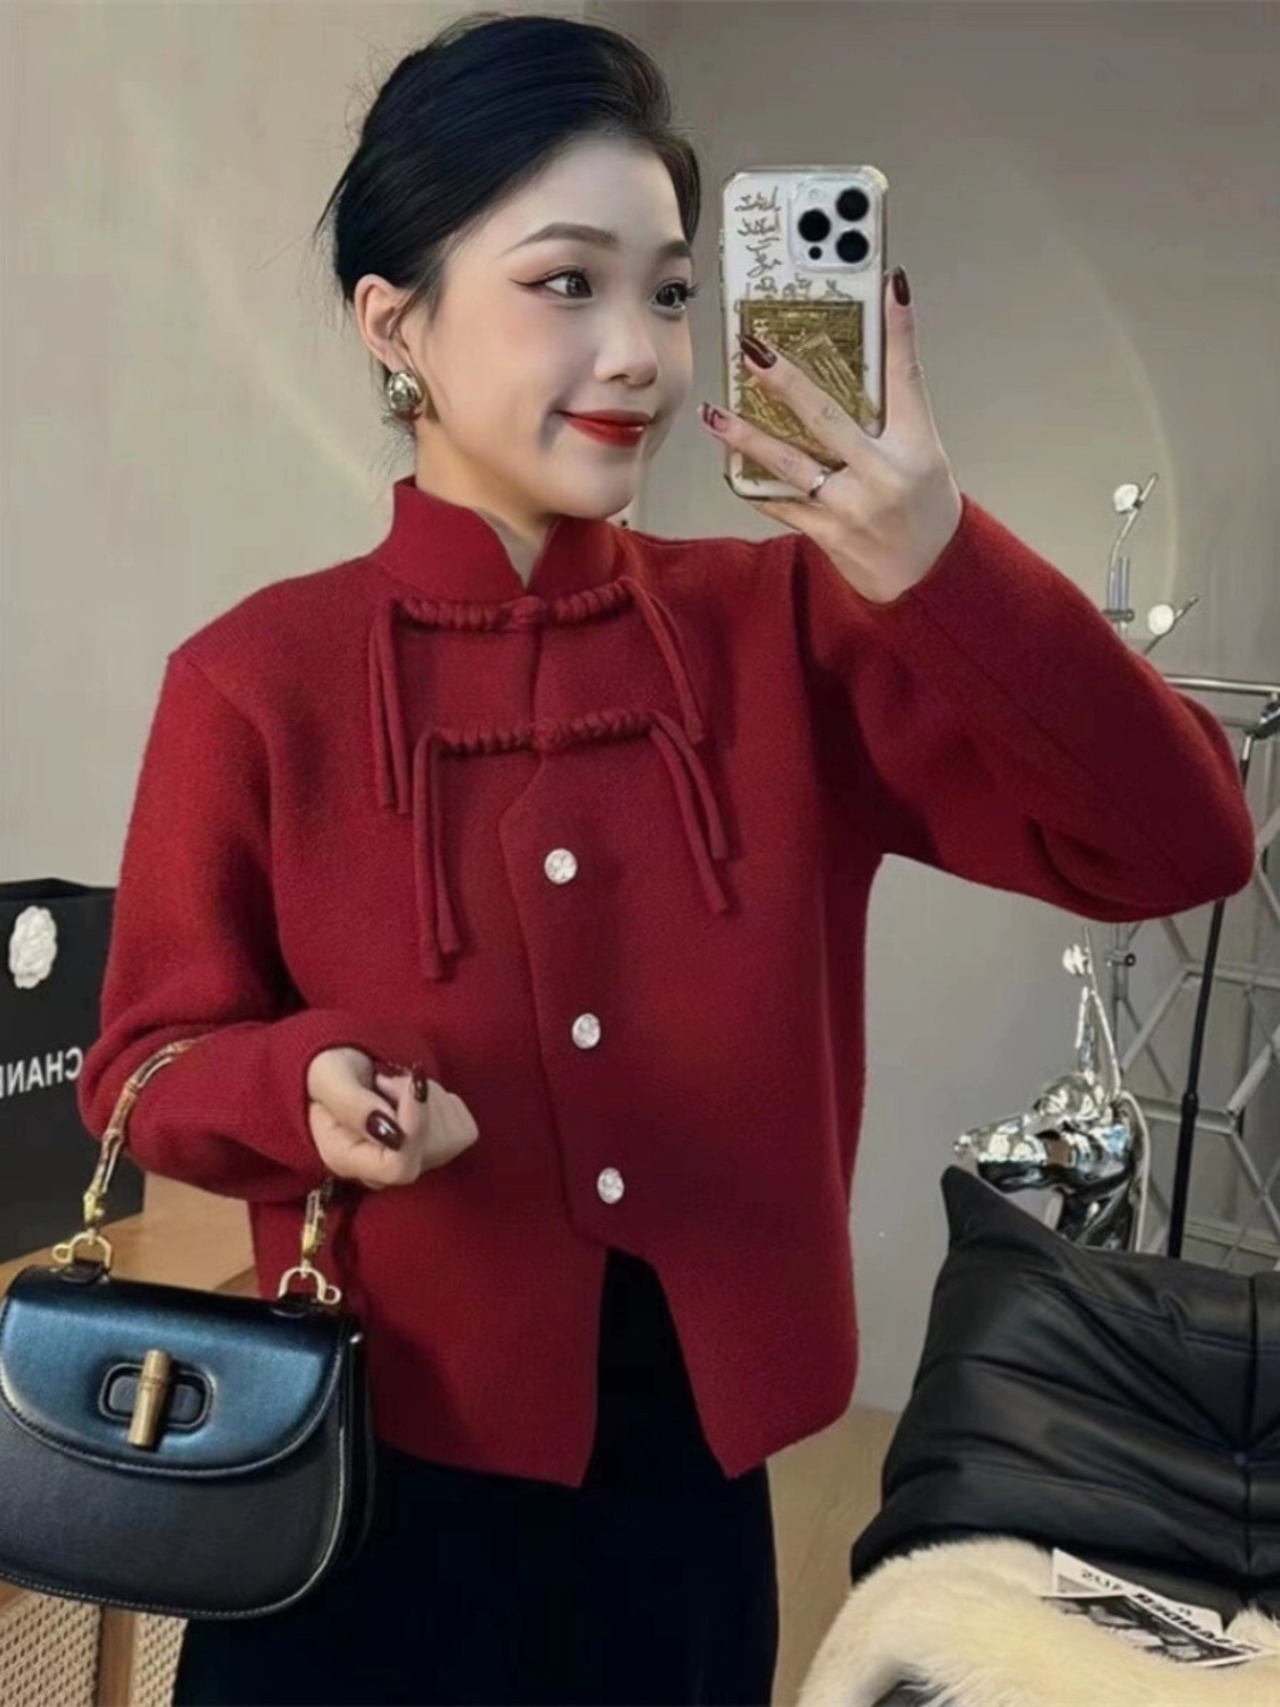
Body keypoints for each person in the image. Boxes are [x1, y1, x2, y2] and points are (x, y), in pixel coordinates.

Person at [76, 11, 1256, 1706]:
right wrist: (298, 1085)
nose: (640, 353)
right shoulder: (254, 681)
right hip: (348, 1492)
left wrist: (933, 554)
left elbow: (1179, 842)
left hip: (683, 1511)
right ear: (395, 323)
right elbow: (141, 1067)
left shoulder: (788, 630)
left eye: (673, 289)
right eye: (567, 283)